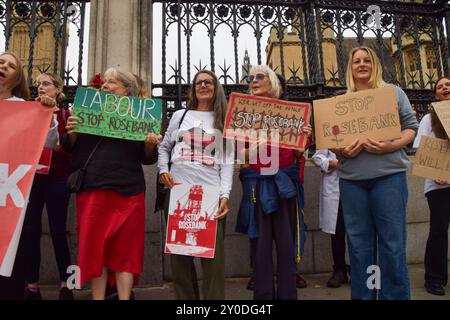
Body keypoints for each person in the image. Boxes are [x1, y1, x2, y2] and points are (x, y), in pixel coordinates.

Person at [64, 67, 160, 300]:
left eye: (112, 82)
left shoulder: (139, 116)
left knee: (126, 252)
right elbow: (69, 149)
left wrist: (149, 143)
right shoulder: (86, 110)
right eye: (104, 82)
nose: (105, 85)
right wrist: (73, 132)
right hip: (93, 188)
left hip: (128, 191)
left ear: (127, 90)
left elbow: (146, 158)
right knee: (96, 250)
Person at [331, 46, 418, 300]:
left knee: (392, 245)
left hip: (389, 177)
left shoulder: (393, 93)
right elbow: (330, 139)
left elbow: (410, 127)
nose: (361, 64)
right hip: (353, 181)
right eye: (356, 61)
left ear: (375, 64)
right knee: (359, 247)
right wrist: (342, 150)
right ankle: (365, 296)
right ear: (350, 68)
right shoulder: (340, 101)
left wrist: (392, 145)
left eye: (366, 60)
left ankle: (394, 296)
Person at [235, 64, 312, 300]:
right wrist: (257, 145)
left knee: (287, 244)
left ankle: (288, 294)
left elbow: (298, 154)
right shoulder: (243, 113)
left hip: (285, 187)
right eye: (251, 78)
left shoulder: (290, 113)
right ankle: (263, 296)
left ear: (273, 83)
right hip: (258, 186)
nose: (254, 81)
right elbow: (238, 155)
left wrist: (304, 139)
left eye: (260, 77)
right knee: (261, 244)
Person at [158, 70, 233, 300]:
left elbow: (228, 160)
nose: (203, 85)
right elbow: (164, 147)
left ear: (215, 87)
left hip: (211, 195)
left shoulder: (223, 119)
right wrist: (163, 170)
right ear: (193, 88)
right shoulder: (180, 116)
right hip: (179, 192)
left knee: (213, 261)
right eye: (199, 82)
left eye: (208, 82)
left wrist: (225, 195)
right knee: (180, 260)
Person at [0, 52, 59, 300]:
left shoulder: (23, 109)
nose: (3, 66)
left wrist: (47, 117)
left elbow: (47, 142)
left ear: (17, 79)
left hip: (8, 196)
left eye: (10, 65)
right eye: (1, 61)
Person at [23, 73, 73, 300]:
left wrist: (51, 118)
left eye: (45, 84)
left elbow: (64, 148)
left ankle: (69, 284)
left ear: (57, 89)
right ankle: (32, 285)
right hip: (33, 178)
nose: (40, 88)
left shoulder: (66, 115)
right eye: (38, 85)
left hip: (58, 177)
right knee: (31, 232)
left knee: (59, 232)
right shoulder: (28, 112)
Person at [413, 76, 450, 296]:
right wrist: (436, 174)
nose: (445, 88)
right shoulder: (429, 118)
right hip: (439, 185)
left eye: (448, 84)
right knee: (438, 231)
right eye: (440, 86)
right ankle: (434, 278)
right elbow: (422, 148)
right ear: (436, 94)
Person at [312, 149, 349, 288]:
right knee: (338, 232)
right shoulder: (328, 131)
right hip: (335, 188)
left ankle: (358, 269)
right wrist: (333, 163)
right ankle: (339, 270)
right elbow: (316, 157)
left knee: (358, 231)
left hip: (357, 184)